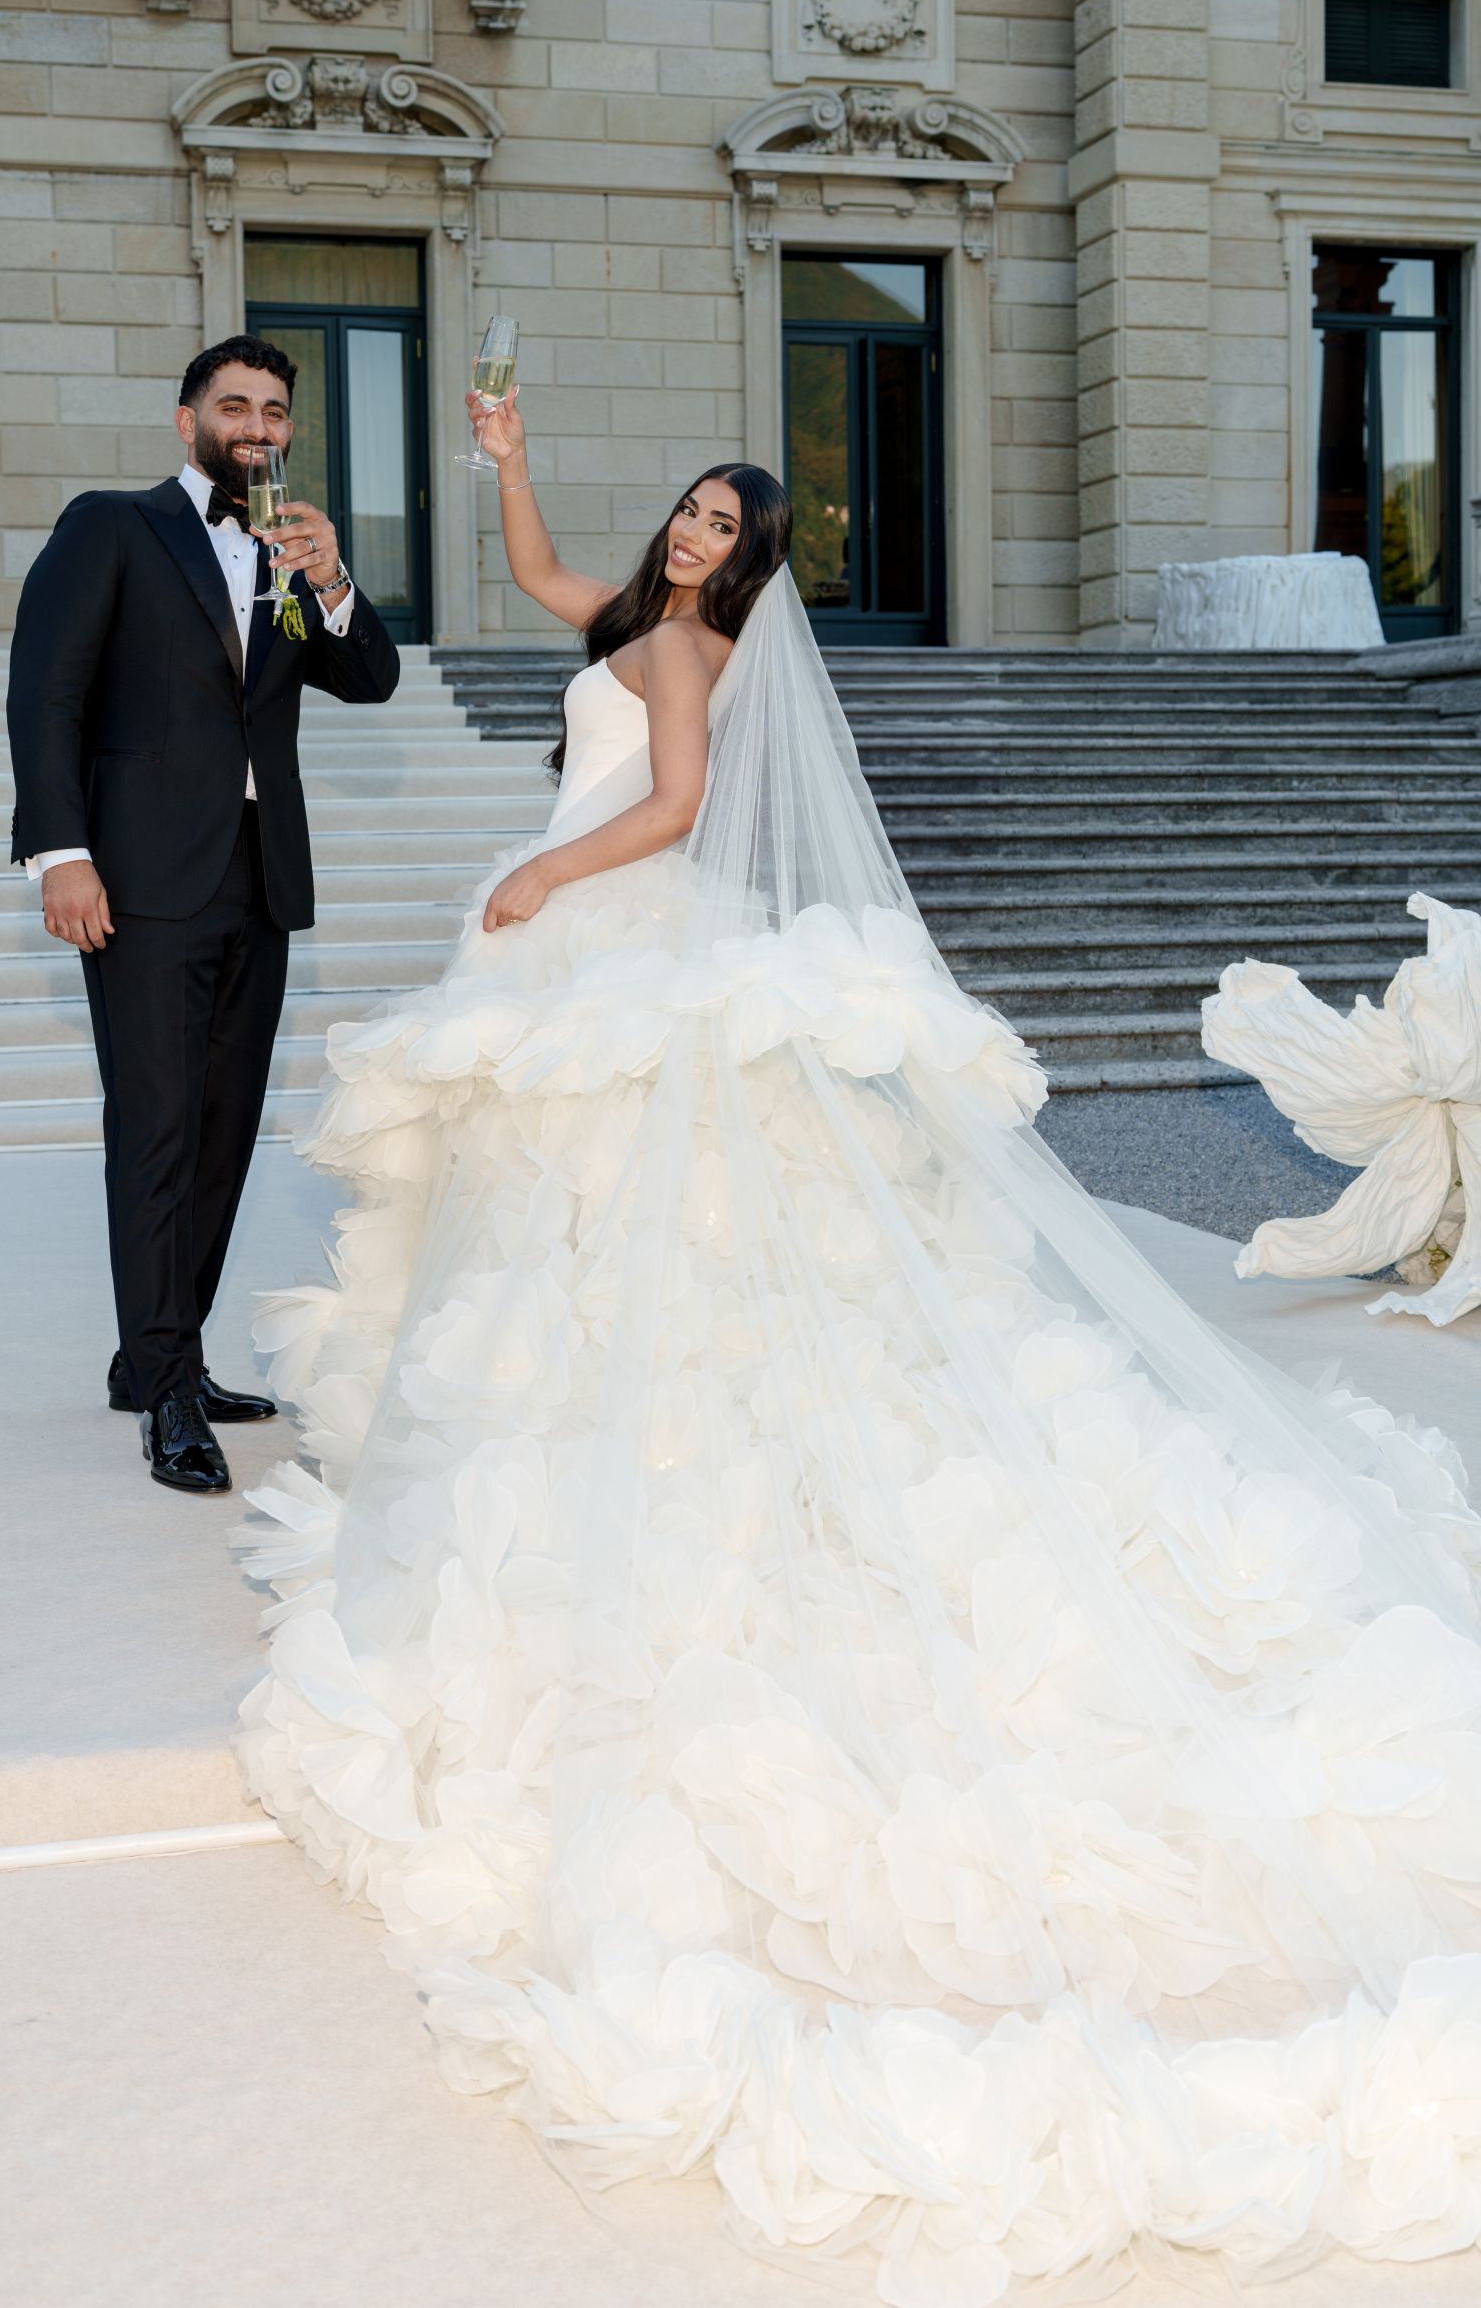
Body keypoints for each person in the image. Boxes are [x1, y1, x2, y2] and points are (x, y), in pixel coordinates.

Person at [236, 385, 1481, 2301]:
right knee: (555, 1213)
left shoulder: (687, 661)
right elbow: (549, 577)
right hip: (594, 920)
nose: (692, 540)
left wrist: (541, 877)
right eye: (692, 513)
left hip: (606, 916)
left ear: (758, 565)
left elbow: (657, 808)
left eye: (727, 527)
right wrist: (502, 458)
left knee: (608, 1219)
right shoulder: (637, 615)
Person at [7, 336, 400, 1494]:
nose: (258, 426)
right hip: (136, 879)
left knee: (225, 1130)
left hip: (256, 875)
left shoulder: (288, 554)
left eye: (275, 410)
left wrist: (329, 578)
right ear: (189, 423)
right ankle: (168, 1391)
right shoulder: (112, 528)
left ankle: (160, 1353)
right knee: (160, 1127)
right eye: (235, 406)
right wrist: (60, 855)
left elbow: (369, 678)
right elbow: (47, 694)